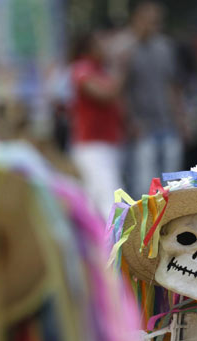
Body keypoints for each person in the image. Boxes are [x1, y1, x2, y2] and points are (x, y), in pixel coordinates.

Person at [124, 2, 184, 197]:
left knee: (172, 184)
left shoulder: (165, 47)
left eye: (156, 22)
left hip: (168, 123)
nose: (152, 26)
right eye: (148, 21)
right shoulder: (126, 48)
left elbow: (172, 86)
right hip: (143, 126)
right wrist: (130, 120)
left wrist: (180, 119)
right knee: (144, 185)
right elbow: (121, 91)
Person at [69, 31, 125, 218]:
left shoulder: (101, 70)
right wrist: (121, 68)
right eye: (102, 43)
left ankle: (100, 244)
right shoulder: (82, 68)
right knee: (110, 199)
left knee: (96, 199)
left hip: (107, 142)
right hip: (91, 145)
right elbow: (105, 95)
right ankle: (112, 244)